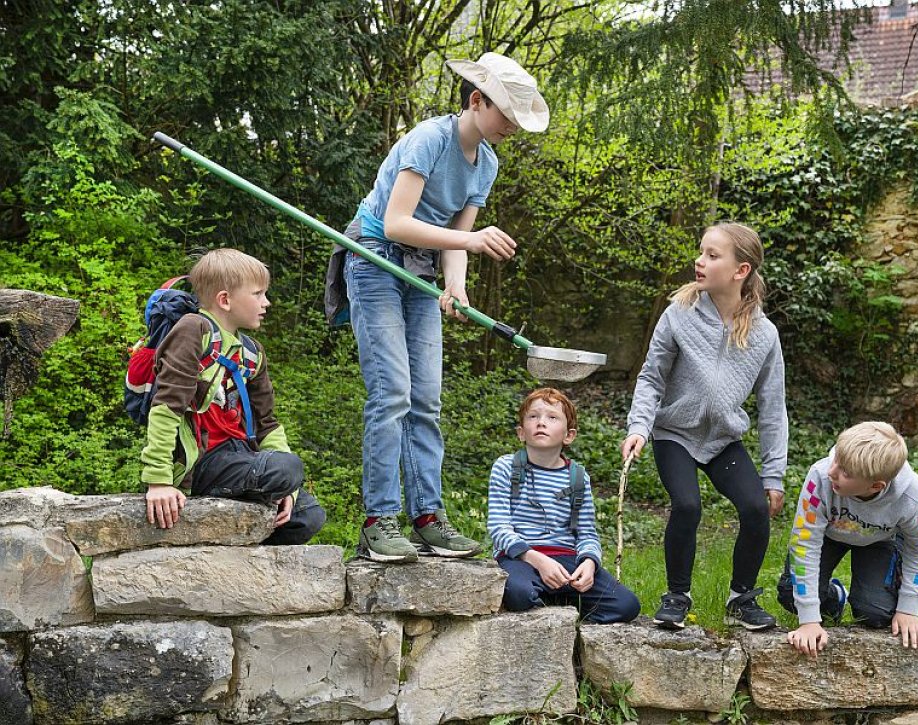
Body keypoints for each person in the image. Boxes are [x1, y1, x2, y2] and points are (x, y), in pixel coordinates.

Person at [324, 52, 550, 563]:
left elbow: (456, 238)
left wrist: (457, 286)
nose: (513, 126)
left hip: (421, 271)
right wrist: (467, 246)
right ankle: (379, 521)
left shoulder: (486, 162)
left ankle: (428, 518)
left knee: (426, 399)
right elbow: (398, 222)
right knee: (392, 394)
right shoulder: (429, 139)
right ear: (477, 100)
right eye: (507, 114)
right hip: (374, 258)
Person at [621, 222, 787, 631]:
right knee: (688, 505)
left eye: (713, 256)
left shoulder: (764, 335)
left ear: (740, 271)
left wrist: (774, 474)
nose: (700, 260)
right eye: (701, 252)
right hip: (674, 433)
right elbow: (651, 377)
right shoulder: (679, 314)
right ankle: (677, 595)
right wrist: (639, 426)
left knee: (754, 509)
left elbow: (772, 407)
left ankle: (742, 598)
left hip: (723, 439)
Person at [141, 248, 325, 544]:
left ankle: (239, 552)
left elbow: (267, 423)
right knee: (287, 469)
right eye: (258, 294)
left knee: (308, 515)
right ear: (225, 300)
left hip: (240, 456)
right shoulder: (193, 330)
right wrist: (159, 481)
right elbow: (166, 407)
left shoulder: (252, 352)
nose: (266, 303)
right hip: (203, 460)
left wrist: (286, 491)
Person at [778, 421, 918, 656]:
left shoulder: (912, 497)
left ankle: (871, 595)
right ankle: (834, 597)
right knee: (791, 596)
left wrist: (908, 609)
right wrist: (809, 620)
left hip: (879, 540)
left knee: (875, 613)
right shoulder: (821, 477)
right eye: (836, 460)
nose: (832, 471)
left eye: (845, 472)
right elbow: (804, 543)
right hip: (828, 536)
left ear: (875, 486)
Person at [488, 388, 641, 623]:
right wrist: (537, 559)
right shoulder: (506, 467)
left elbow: (586, 533)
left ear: (569, 435)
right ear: (521, 432)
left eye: (552, 417)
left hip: (567, 558)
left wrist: (589, 563)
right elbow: (499, 527)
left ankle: (561, 598)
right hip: (521, 558)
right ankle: (551, 601)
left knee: (626, 605)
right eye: (533, 417)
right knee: (519, 594)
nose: (541, 422)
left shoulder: (578, 477)